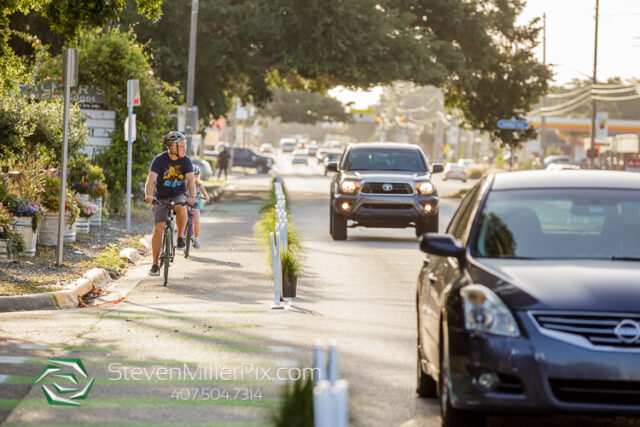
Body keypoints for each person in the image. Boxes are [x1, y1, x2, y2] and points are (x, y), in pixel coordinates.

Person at [144, 131, 197, 276]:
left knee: (181, 207)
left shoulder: (186, 161)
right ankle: (154, 265)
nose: (184, 148)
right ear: (172, 147)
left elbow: (191, 181)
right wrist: (148, 195)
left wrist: (192, 196)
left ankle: (180, 237)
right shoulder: (159, 160)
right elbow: (151, 180)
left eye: (185, 145)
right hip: (161, 196)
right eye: (182, 146)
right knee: (159, 228)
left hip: (178, 194)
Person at [190, 165, 211, 248]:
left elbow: (204, 193)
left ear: (198, 176)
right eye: (192, 175)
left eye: (195, 176)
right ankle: (180, 232)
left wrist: (206, 196)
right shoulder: (185, 183)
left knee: (196, 221)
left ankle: (196, 238)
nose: (193, 177)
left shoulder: (200, 185)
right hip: (186, 203)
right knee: (181, 214)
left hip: (195, 204)